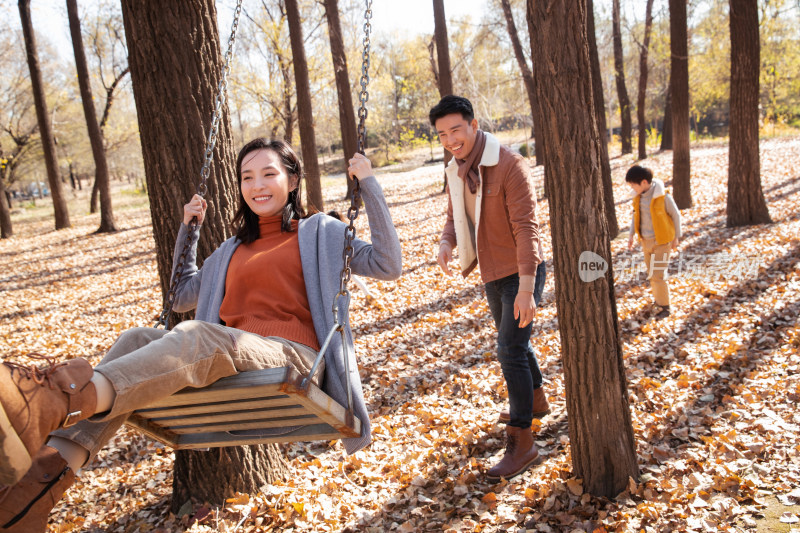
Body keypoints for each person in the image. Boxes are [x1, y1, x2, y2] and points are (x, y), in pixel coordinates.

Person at [0, 138, 402, 531]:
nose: (257, 186)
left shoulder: (320, 232)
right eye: (247, 177)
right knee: (135, 338)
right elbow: (179, 296)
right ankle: (40, 484)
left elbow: (387, 264)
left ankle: (56, 399)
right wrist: (188, 231)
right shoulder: (230, 249)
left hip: (291, 356)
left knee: (199, 334)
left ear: (293, 180)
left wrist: (367, 183)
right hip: (229, 355)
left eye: (268, 174)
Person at [431, 95, 547, 482]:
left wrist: (528, 289)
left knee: (509, 348)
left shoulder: (509, 164)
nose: (450, 139)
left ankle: (522, 440)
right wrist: (447, 242)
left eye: (456, 130)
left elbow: (527, 229)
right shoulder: (456, 168)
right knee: (516, 343)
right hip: (491, 274)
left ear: (473, 124)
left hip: (521, 271)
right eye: (443, 134)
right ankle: (536, 399)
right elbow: (454, 215)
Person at [625, 165, 681, 319]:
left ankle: (665, 306)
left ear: (643, 182)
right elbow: (635, 217)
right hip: (646, 241)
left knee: (658, 274)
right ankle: (659, 301)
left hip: (662, 241)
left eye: (633, 184)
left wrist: (676, 236)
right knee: (652, 275)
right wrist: (631, 236)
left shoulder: (662, 196)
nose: (631, 187)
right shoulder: (638, 197)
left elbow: (675, 215)